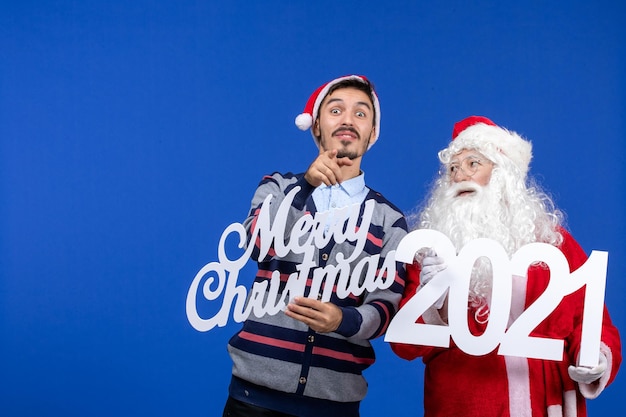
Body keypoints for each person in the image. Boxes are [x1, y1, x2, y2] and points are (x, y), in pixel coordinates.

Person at [390, 116, 622, 416]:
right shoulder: (432, 251)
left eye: (473, 163)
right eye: (453, 168)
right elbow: (405, 347)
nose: (460, 175)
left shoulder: (554, 242)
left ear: (503, 174)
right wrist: (432, 304)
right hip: (464, 401)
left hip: (544, 400)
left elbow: (594, 322)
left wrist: (595, 359)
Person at [222, 75, 408, 417]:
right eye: (336, 110)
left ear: (372, 134)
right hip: (253, 401)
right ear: (317, 127)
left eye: (361, 113)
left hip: (335, 405)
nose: (348, 120)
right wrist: (306, 186)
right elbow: (255, 243)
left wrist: (343, 319)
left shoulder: (389, 220)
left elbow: (386, 309)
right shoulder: (277, 187)